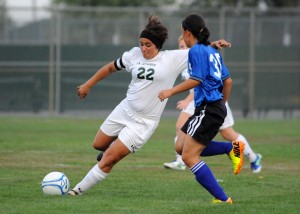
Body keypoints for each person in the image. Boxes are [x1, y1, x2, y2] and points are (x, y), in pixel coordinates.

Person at [67, 15, 231, 196]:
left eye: (148, 45)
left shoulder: (172, 58)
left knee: (108, 160)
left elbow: (201, 50)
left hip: (143, 123)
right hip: (124, 110)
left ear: (157, 45)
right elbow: (110, 68)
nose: (143, 48)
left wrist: (214, 44)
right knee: (98, 145)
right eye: (141, 43)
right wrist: (88, 84)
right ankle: (114, 146)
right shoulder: (133, 55)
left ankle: (77, 191)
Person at [158, 14, 235, 204]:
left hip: (207, 108)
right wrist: (222, 105)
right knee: (180, 146)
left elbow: (197, 80)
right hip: (212, 107)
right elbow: (228, 81)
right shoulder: (212, 52)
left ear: (186, 31)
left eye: (181, 32)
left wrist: (171, 91)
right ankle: (231, 148)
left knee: (188, 157)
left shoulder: (196, 51)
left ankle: (224, 199)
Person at [163, 36, 262, 173]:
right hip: (198, 102)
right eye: (181, 47)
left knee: (228, 134)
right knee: (180, 126)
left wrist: (184, 98)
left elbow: (199, 81)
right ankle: (181, 161)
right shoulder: (187, 59)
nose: (184, 49)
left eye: (185, 46)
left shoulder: (199, 56)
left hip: (212, 101)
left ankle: (253, 157)